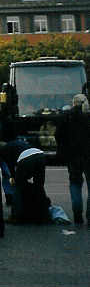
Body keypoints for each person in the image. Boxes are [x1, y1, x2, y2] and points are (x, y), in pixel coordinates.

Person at [55, 93, 90, 226]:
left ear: (73, 103)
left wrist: (63, 151)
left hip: (73, 156)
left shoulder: (66, 116)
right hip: (88, 155)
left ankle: (77, 214)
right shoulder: (88, 116)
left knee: (75, 184)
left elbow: (58, 135)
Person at [0, 139, 48, 223]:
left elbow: (11, 167)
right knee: (39, 186)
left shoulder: (4, 150)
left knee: (18, 188)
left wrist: (14, 178)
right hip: (40, 155)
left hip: (26, 158)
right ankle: (43, 214)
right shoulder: (14, 144)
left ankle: (16, 216)